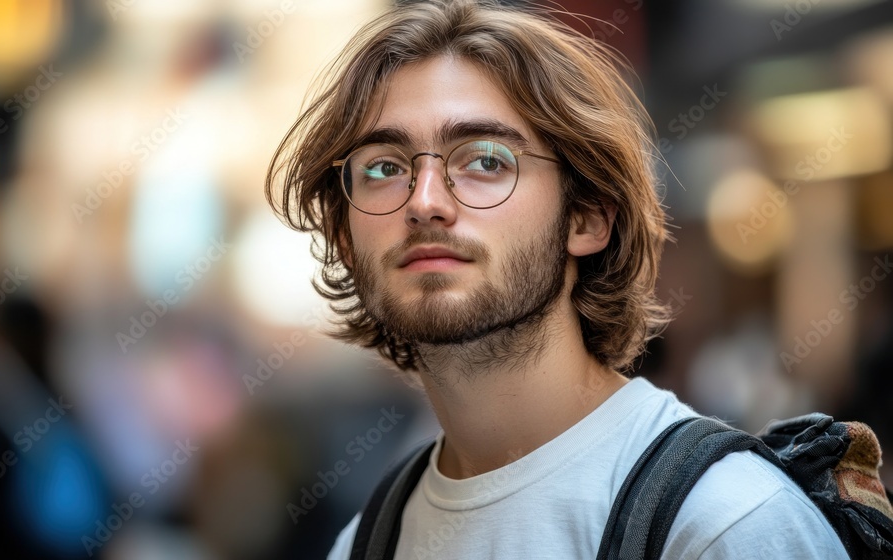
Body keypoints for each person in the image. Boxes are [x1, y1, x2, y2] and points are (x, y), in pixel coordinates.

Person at [265, 0, 848, 557]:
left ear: (586, 217)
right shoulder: (369, 541)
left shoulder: (723, 522)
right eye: (384, 168)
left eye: (486, 160)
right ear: (344, 233)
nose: (424, 202)